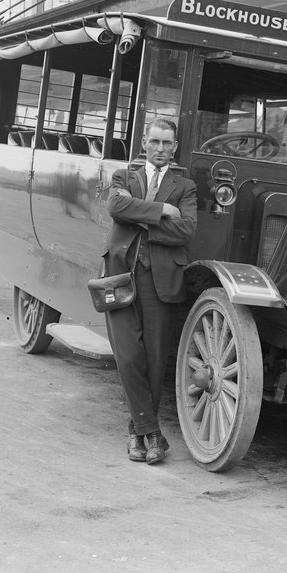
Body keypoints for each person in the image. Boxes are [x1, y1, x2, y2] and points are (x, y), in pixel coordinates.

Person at [103, 118, 197, 464]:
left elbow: (185, 230)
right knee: (128, 356)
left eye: (167, 143)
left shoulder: (185, 186)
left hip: (162, 281)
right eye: (154, 141)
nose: (160, 149)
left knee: (155, 361)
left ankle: (137, 432)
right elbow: (115, 207)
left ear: (175, 147)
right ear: (144, 142)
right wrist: (160, 212)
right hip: (121, 276)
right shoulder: (122, 177)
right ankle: (153, 433)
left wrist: (138, 216)